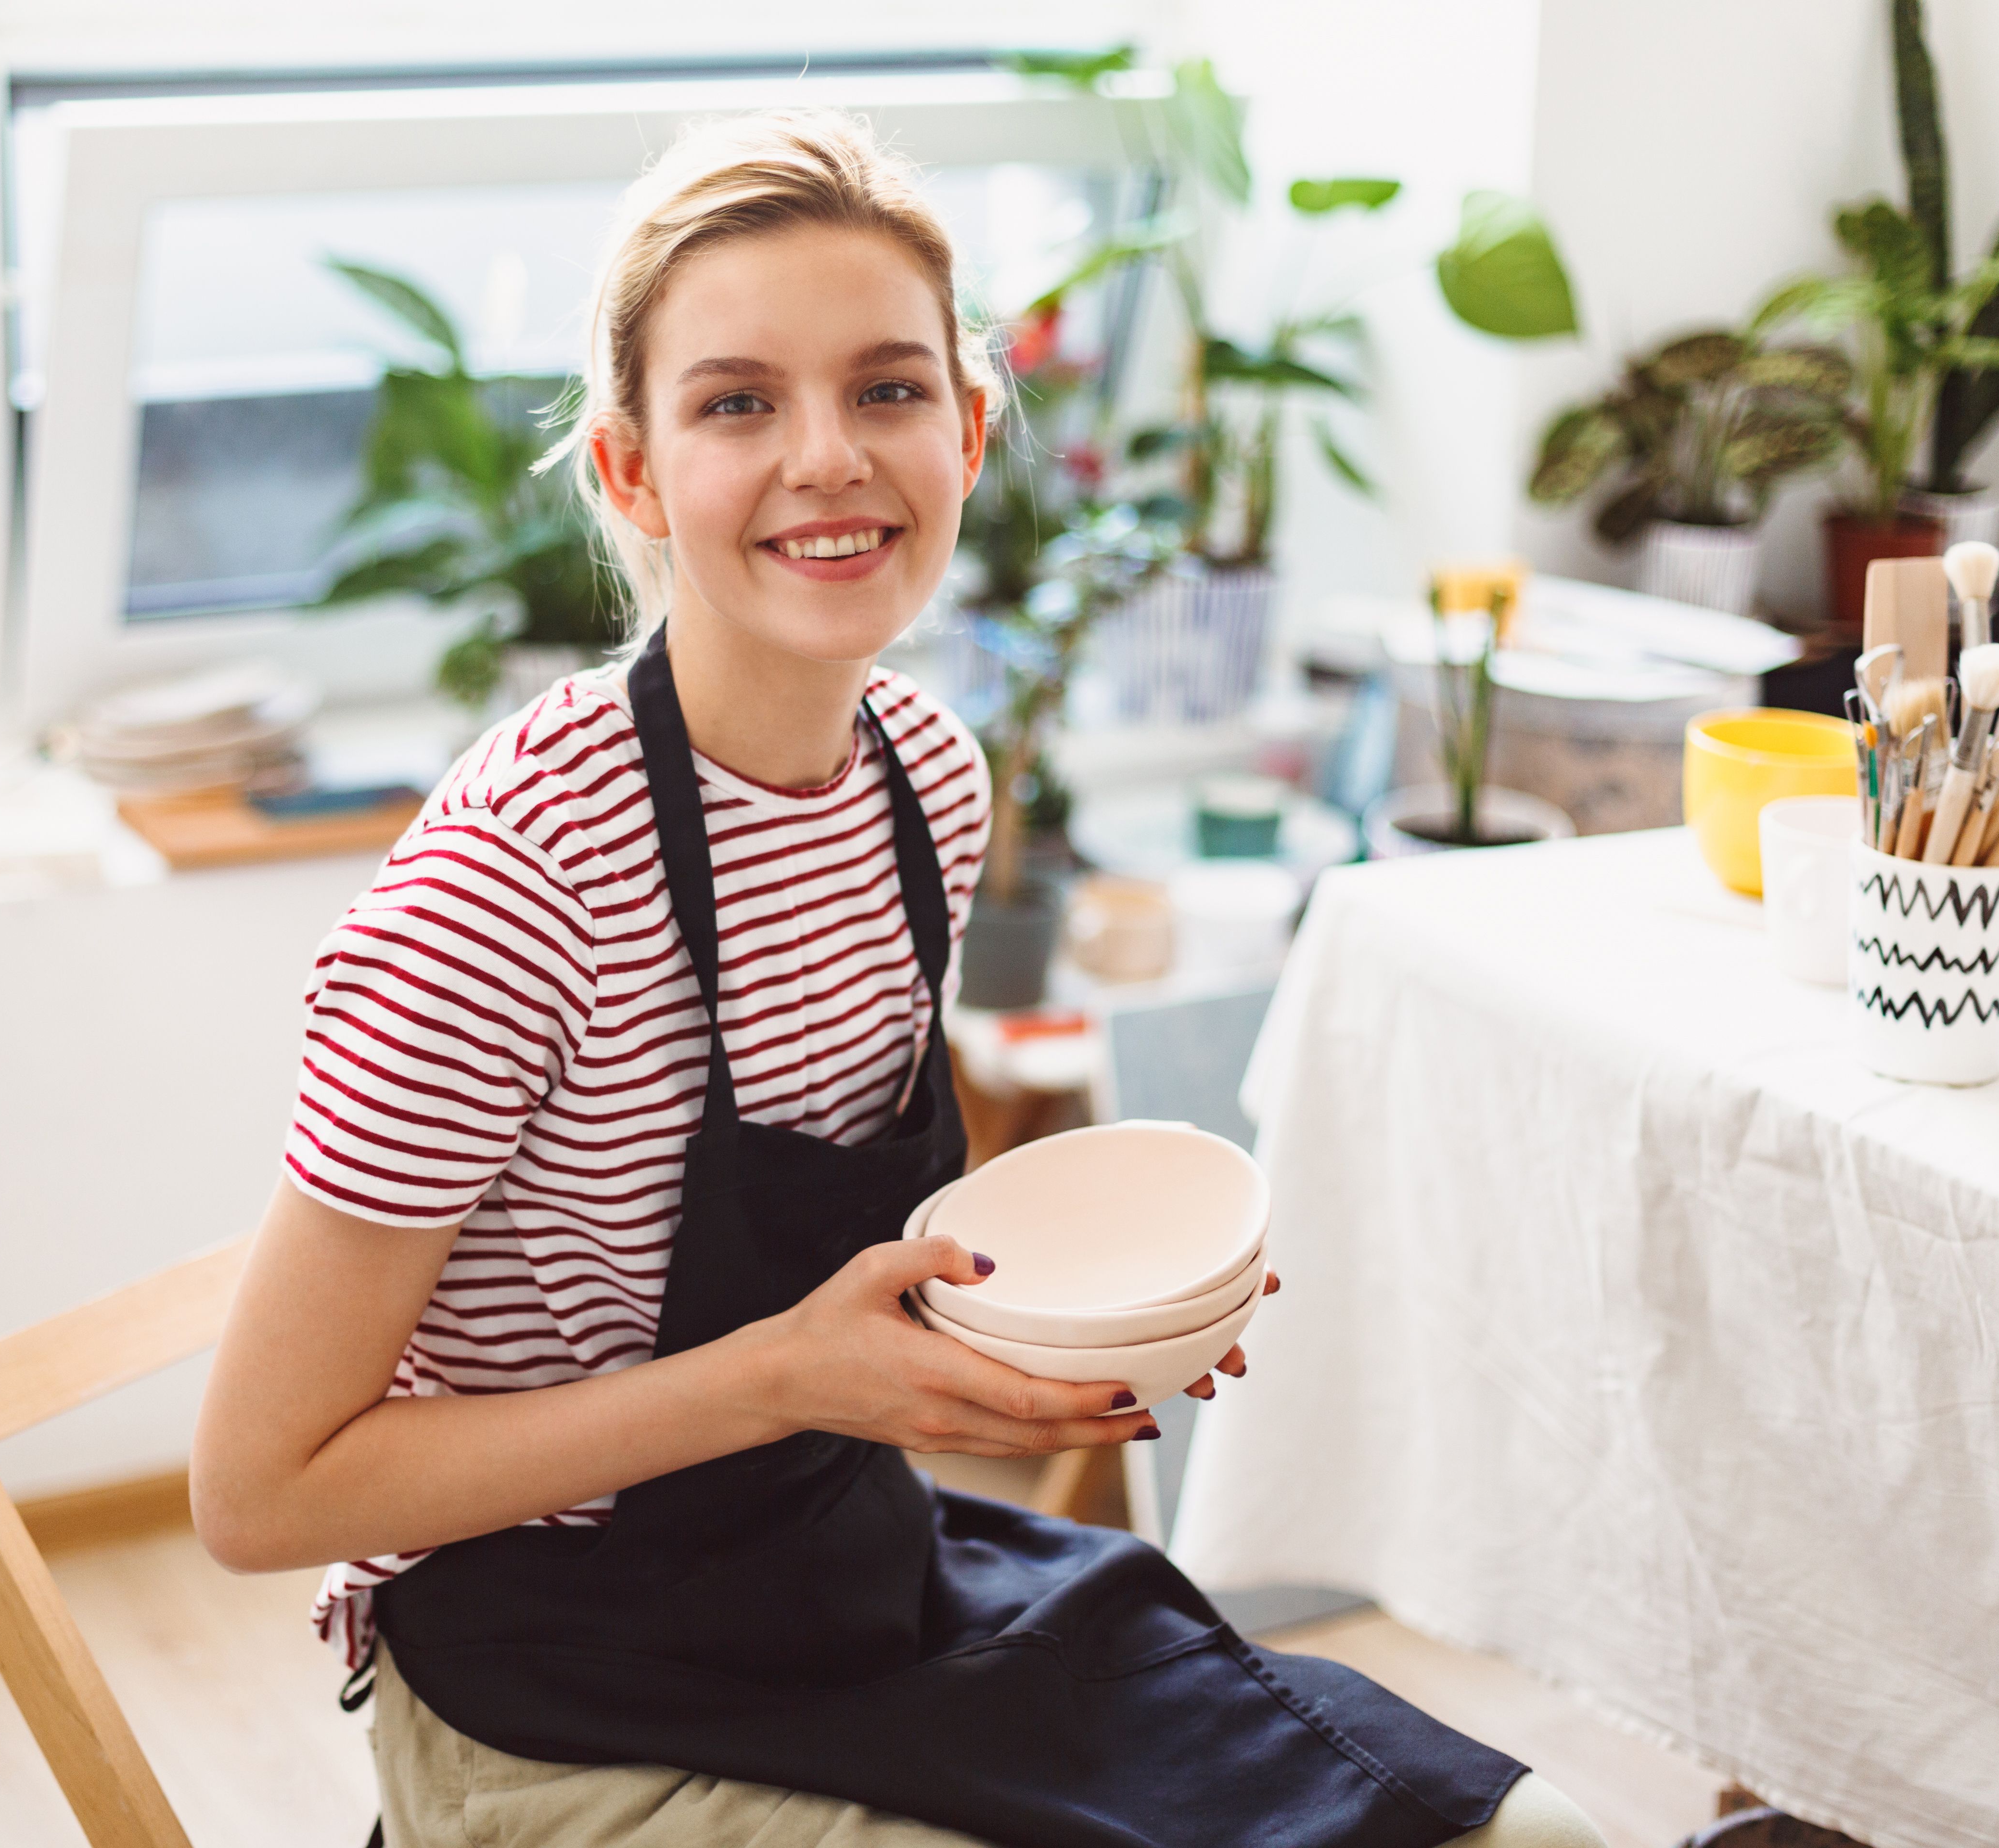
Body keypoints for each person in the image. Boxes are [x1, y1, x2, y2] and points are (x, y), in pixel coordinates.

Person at [191, 110, 1605, 1848]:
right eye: (735, 404)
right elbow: (259, 1494)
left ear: (970, 430)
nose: (827, 458)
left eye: (886, 390)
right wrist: (786, 1376)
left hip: (861, 1581)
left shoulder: (925, 780)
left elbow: (841, 1282)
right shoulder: (506, 892)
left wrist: (1066, 1329)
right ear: (630, 474)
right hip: (548, 1697)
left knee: (1528, 1833)